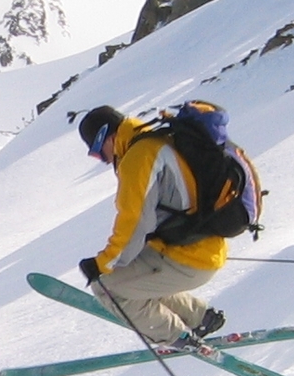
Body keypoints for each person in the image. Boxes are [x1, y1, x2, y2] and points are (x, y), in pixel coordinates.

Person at [77, 105, 227, 351]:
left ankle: (176, 337)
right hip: (201, 248)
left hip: (185, 258)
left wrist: (101, 264)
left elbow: (135, 221)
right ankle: (200, 317)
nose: (103, 160)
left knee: (107, 287)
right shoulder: (160, 140)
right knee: (135, 277)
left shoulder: (139, 156)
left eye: (97, 151)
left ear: (110, 136)